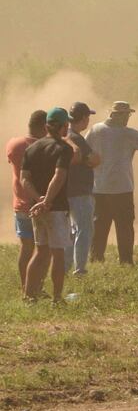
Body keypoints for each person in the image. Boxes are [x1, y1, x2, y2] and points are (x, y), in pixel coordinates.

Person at [86, 101, 138, 265]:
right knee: (124, 226)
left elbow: (85, 150)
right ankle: (125, 260)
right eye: (126, 115)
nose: (127, 118)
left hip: (99, 187)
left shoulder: (95, 130)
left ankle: (96, 258)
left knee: (99, 225)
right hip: (122, 188)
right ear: (119, 115)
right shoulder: (127, 133)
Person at [21, 108, 74, 303]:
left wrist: (38, 199)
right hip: (56, 208)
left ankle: (28, 295)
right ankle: (57, 298)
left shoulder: (31, 148)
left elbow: (24, 179)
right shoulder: (64, 148)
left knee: (40, 251)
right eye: (66, 125)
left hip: (37, 209)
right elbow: (59, 175)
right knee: (58, 253)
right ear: (62, 126)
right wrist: (47, 201)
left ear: (46, 126)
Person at [5, 110, 47, 293]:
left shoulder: (14, 144)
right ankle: (36, 287)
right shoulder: (43, 147)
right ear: (44, 127)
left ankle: (25, 287)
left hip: (20, 204)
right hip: (38, 204)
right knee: (42, 250)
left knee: (26, 248)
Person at [65, 102, 101, 275]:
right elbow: (94, 159)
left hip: (67, 190)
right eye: (88, 117)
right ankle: (79, 269)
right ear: (84, 118)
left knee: (72, 230)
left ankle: (65, 266)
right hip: (79, 191)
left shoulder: (64, 135)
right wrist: (92, 160)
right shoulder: (77, 138)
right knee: (84, 229)